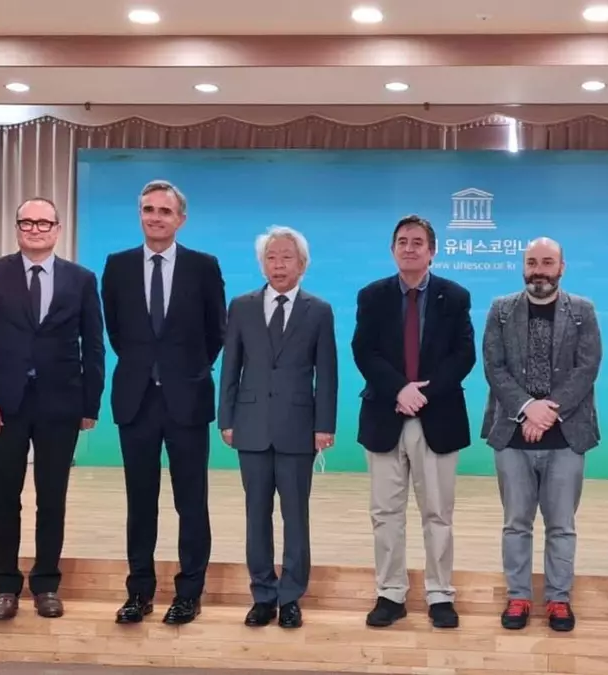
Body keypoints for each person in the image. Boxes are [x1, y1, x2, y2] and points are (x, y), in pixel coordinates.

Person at [0, 197, 105, 620]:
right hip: (2, 407)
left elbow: (93, 345)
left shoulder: (81, 279)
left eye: (44, 223)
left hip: (61, 405)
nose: (36, 229)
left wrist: (90, 403)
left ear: (57, 229)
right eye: (28, 222)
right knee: (4, 498)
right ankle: (6, 586)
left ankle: (46, 584)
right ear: (17, 228)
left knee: (52, 498)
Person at [100, 179, 226, 625]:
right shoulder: (117, 266)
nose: (155, 217)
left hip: (187, 399)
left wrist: (184, 371)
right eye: (148, 209)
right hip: (136, 400)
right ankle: (139, 592)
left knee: (191, 502)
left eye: (165, 211)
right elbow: (117, 331)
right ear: (140, 214)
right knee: (140, 502)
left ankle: (189, 593)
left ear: (181, 219)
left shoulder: (203, 266)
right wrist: (147, 369)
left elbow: (216, 332)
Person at [351, 215, 476, 629]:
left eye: (417, 242)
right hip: (384, 416)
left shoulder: (454, 296)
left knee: (437, 513)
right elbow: (363, 351)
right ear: (393, 249)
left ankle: (440, 594)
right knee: (385, 513)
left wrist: (423, 392)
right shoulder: (372, 296)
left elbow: (464, 355)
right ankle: (390, 593)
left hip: (437, 417)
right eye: (402, 241)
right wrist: (399, 390)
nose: (409, 248)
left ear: (432, 251)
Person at [218, 226, 338, 629]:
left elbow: (327, 373)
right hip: (250, 425)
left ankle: (290, 596)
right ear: (262, 264)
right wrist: (227, 418)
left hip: (298, 429)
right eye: (271, 257)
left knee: (295, 516)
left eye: (287, 257)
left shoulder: (318, 310)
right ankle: (263, 595)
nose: (279, 264)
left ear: (302, 265)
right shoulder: (242, 306)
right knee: (256, 514)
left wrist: (324, 425)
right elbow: (230, 367)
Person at [480, 237, 601, 633]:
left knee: (561, 525)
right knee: (516, 523)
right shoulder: (501, 310)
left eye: (547, 262)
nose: (539, 270)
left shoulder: (582, 310)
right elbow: (494, 366)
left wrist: (548, 411)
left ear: (561, 267)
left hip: (566, 436)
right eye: (532, 262)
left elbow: (587, 367)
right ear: (523, 267)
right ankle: (518, 596)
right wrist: (526, 408)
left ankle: (558, 599)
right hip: (511, 435)